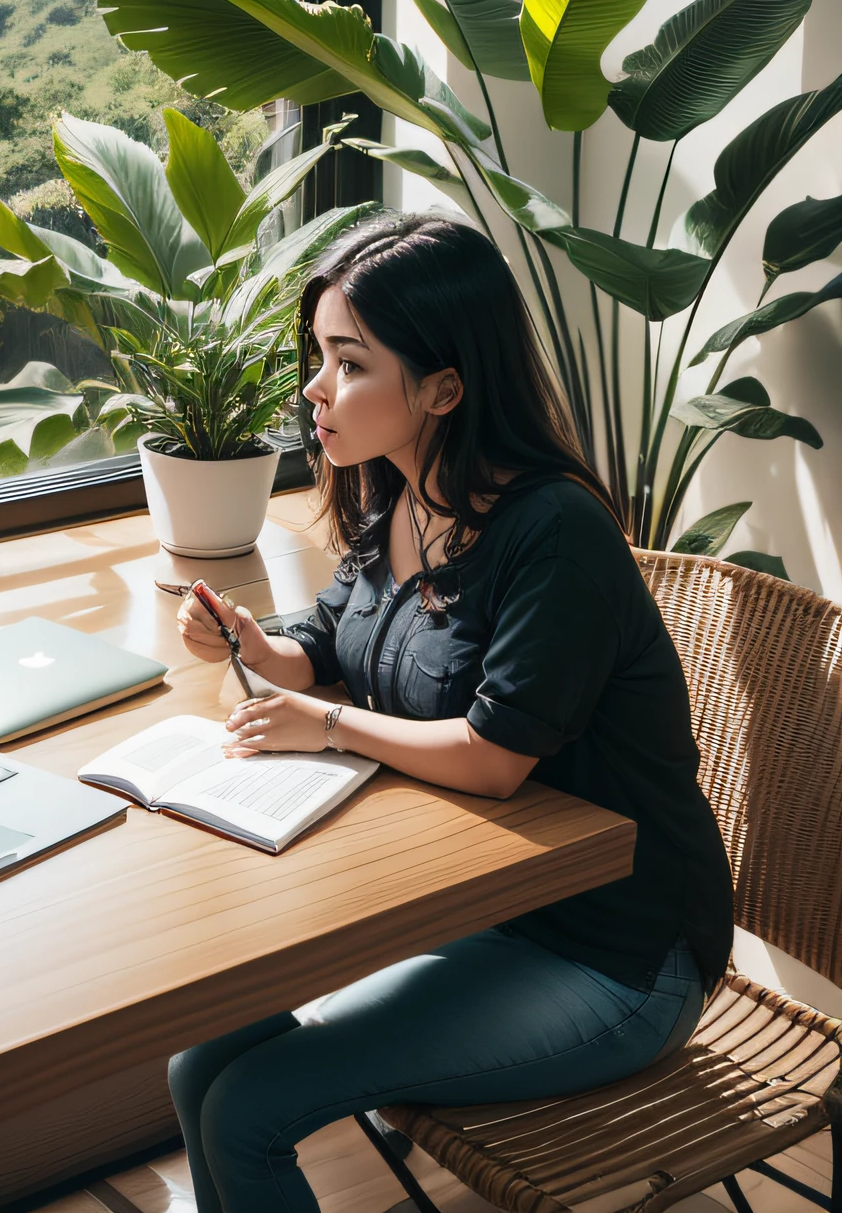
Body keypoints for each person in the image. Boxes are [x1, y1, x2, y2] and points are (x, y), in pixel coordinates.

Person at [172, 211, 733, 1213]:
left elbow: (494, 759)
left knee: (243, 1110)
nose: (315, 390)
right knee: (195, 1063)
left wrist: (329, 726)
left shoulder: (553, 533)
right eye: (319, 358)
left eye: (348, 363)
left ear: (442, 387)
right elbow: (337, 639)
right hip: (490, 912)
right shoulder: (404, 498)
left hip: (617, 956)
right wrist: (259, 648)